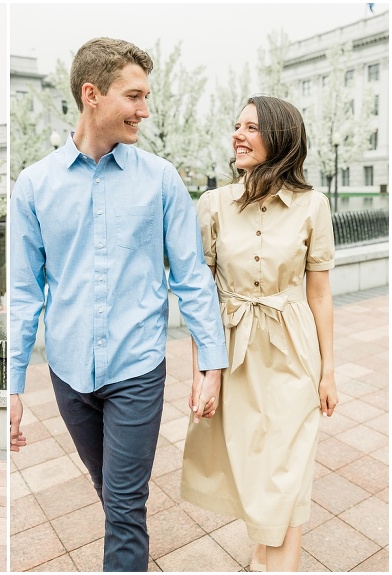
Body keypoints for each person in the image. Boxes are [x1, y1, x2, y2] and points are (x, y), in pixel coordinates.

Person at [10, 37, 228, 572]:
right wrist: (12, 385)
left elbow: (192, 278)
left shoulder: (161, 181)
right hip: (68, 373)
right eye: (134, 96)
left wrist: (212, 362)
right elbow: (23, 293)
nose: (144, 110)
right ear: (92, 95)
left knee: (126, 509)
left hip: (137, 368)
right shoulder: (34, 186)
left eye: (146, 97)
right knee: (111, 497)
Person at [180, 96, 339, 572]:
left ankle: (278, 567)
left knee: (289, 467)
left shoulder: (313, 205)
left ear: (280, 136)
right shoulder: (212, 205)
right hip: (235, 351)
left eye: (251, 127)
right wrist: (201, 372)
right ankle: (261, 558)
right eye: (237, 125)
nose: (238, 135)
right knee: (253, 468)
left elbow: (321, 295)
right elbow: (200, 298)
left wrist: (329, 371)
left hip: (294, 350)